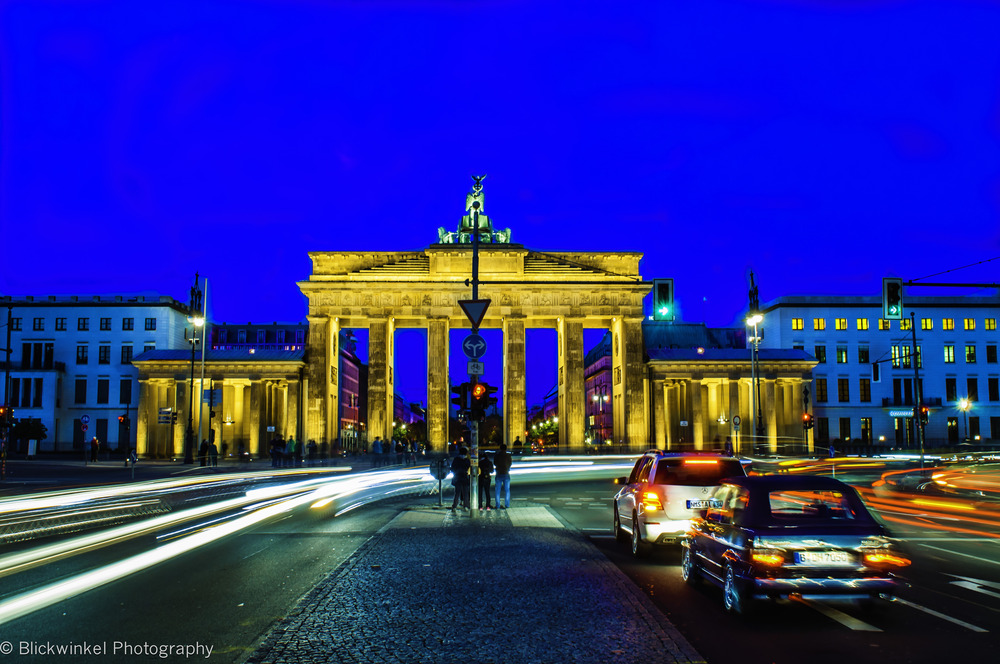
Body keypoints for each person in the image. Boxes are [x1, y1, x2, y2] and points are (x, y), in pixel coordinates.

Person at [450, 446, 471, 510]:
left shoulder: (456, 459)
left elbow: (452, 468)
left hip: (457, 477)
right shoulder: (467, 460)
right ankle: (466, 506)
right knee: (465, 492)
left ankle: (454, 506)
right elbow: (469, 468)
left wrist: (455, 472)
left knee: (457, 492)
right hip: (465, 477)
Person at [494, 443, 513, 509]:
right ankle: (507, 505)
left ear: (500, 448)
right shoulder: (508, 456)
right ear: (506, 449)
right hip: (506, 473)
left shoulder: (497, 455)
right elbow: (510, 463)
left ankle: (498, 505)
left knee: (497, 490)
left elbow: (495, 463)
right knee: (507, 490)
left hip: (499, 473)